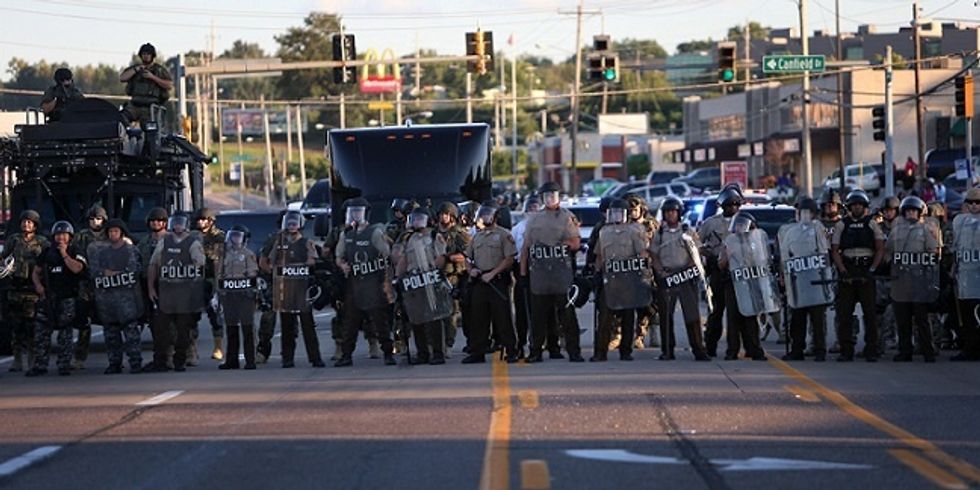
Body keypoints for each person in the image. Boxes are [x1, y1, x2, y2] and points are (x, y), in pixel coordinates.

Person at [521, 182, 584, 363]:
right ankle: (535, 351)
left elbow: (575, 243)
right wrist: (523, 274)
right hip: (539, 273)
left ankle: (574, 351)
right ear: (542, 198)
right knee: (538, 316)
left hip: (561, 272)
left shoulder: (566, 217)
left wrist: (563, 245)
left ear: (559, 197)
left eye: (553, 195)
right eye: (547, 196)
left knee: (567, 315)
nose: (550, 199)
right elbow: (526, 248)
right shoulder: (534, 219)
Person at [334, 198, 397, 367]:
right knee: (350, 321)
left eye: (358, 212)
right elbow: (338, 256)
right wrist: (342, 265)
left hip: (373, 283)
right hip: (354, 283)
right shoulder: (345, 235)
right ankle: (346, 355)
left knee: (379, 320)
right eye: (352, 212)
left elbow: (386, 254)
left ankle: (388, 352)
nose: (355, 215)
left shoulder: (374, 233)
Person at [263, 210, 325, 368]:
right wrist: (275, 272)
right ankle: (287, 358)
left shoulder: (306, 242)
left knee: (307, 325)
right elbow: (268, 262)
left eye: (294, 223)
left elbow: (312, 261)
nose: (291, 226)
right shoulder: (279, 242)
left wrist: (296, 266)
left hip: (302, 288)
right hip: (285, 289)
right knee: (287, 325)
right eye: (289, 223)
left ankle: (315, 358)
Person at [650, 196, 709, 361]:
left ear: (679, 213)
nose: (670, 215)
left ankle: (699, 349)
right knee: (666, 316)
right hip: (667, 277)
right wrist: (660, 270)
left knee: (692, 315)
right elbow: (653, 254)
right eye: (667, 212)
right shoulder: (659, 233)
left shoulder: (688, 231)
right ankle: (667, 351)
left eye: (673, 212)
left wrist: (688, 267)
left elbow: (696, 253)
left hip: (685, 277)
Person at [830, 189, 885, 362]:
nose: (857, 208)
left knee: (870, 314)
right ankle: (846, 350)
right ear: (849, 207)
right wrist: (842, 270)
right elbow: (835, 250)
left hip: (866, 269)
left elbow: (880, 249)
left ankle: (871, 349)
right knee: (845, 313)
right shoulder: (841, 225)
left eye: (860, 205)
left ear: (865, 207)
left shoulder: (872, 224)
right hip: (848, 269)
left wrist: (872, 270)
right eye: (854, 205)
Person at [593, 198, 651, 362]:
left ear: (627, 214)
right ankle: (600, 351)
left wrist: (642, 274)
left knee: (628, 315)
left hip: (629, 277)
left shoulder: (635, 230)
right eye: (614, 213)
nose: (617, 216)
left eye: (620, 212)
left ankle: (626, 350)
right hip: (609, 278)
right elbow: (599, 254)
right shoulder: (604, 231)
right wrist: (597, 272)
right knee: (604, 316)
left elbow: (642, 254)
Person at [147, 213, 206, 372]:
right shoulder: (164, 242)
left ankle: (180, 360)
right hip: (166, 291)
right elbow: (153, 265)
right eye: (175, 223)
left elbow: (200, 263)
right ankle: (160, 361)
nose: (177, 227)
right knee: (160, 329)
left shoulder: (193, 243)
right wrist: (151, 288)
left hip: (184, 292)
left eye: (181, 224)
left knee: (183, 329)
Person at [26, 221, 86, 376]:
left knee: (65, 333)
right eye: (58, 235)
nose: (61, 238)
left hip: (67, 297)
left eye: (64, 235)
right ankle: (40, 365)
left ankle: (64, 364)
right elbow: (36, 271)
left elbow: (78, 269)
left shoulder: (75, 250)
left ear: (70, 237)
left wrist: (64, 254)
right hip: (48, 298)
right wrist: (38, 286)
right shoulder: (46, 252)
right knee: (41, 333)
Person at [778, 198, 834, 362]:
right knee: (797, 318)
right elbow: (785, 256)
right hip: (798, 280)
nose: (804, 216)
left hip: (815, 278)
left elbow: (825, 253)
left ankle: (819, 350)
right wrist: (783, 275)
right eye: (801, 212)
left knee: (817, 319)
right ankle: (797, 350)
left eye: (807, 212)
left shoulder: (818, 229)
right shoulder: (790, 231)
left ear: (814, 214)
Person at [887, 196, 941, 363]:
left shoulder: (926, 230)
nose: (911, 213)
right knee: (902, 319)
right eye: (908, 211)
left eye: (914, 211)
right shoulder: (896, 231)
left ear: (919, 213)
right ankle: (905, 351)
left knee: (922, 318)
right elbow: (888, 251)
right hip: (901, 279)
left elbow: (933, 253)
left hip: (919, 279)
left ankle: (928, 351)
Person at [464, 202, 519, 363]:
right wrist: (471, 270)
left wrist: (493, 273)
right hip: (480, 281)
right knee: (478, 318)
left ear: (496, 217)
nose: (485, 217)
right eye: (483, 214)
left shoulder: (504, 235)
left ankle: (511, 350)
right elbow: (468, 258)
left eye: (488, 214)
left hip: (497, 281)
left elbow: (509, 259)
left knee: (503, 318)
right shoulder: (477, 236)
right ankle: (477, 351)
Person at [396, 208, 452, 364]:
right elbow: (403, 259)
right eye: (413, 219)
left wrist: (434, 270)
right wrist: (397, 278)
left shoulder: (435, 236)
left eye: (419, 218)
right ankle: (422, 353)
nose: (416, 222)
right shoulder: (409, 239)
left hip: (430, 279)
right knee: (416, 318)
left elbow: (441, 257)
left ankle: (438, 353)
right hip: (414, 282)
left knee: (435, 317)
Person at [88, 219, 144, 374]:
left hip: (127, 298)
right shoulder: (101, 252)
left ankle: (135, 362)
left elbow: (136, 269)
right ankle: (114, 363)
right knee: (111, 334)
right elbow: (94, 271)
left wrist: (116, 273)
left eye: (116, 231)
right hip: (107, 300)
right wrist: (104, 273)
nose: (113, 234)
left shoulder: (130, 250)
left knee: (131, 333)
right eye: (110, 231)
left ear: (122, 233)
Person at [718, 212, 773, 361]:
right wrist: (727, 256)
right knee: (733, 317)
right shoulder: (729, 241)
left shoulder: (756, 242)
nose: (740, 228)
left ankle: (754, 349)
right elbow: (721, 264)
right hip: (733, 283)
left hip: (751, 282)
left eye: (743, 225)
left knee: (750, 317)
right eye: (738, 225)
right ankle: (732, 350)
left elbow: (763, 261)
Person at [698, 185, 743, 357]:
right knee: (717, 310)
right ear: (723, 206)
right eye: (729, 205)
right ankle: (710, 345)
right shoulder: (711, 223)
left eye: (736, 205)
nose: (733, 208)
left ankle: (734, 348)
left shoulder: (744, 221)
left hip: (738, 270)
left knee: (736, 312)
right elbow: (697, 243)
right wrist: (708, 254)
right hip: (717, 270)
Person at [1, 210, 49, 372]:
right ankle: (17, 358)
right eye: (24, 221)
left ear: (35, 224)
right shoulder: (14, 240)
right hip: (15, 288)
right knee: (16, 326)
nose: (26, 224)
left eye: (29, 222)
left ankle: (32, 357)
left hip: (32, 289)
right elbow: (3, 257)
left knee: (31, 326)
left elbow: (47, 262)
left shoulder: (42, 242)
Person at [216, 225, 259, 370]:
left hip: (244, 295)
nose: (235, 239)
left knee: (247, 327)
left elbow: (252, 273)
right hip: (229, 295)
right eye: (233, 236)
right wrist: (218, 292)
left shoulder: (248, 254)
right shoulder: (224, 255)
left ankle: (250, 360)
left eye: (238, 236)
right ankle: (232, 360)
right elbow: (219, 275)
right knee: (231, 328)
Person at [70, 204, 108, 370]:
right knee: (83, 323)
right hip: (86, 284)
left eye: (98, 218)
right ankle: (79, 358)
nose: (95, 222)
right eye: (92, 219)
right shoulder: (82, 236)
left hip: (106, 284)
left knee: (110, 321)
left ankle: (115, 358)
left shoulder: (110, 234)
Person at [138, 207, 173, 372]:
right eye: (153, 221)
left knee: (169, 324)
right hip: (148, 284)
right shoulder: (144, 242)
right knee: (154, 323)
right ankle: (159, 357)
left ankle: (169, 357)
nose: (156, 223)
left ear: (165, 223)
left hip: (168, 284)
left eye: (159, 220)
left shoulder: (172, 240)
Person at [436, 201, 471, 355]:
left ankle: (448, 344)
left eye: (447, 214)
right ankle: (436, 344)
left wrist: (447, 257)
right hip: (435, 276)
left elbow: (467, 255)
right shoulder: (433, 233)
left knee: (451, 314)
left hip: (453, 278)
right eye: (442, 214)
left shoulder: (460, 234)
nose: (443, 217)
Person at [951, 187, 980, 361]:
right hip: (965, 275)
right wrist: (954, 267)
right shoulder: (960, 221)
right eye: (971, 202)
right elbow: (957, 247)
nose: (975, 205)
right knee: (966, 315)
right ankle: (969, 348)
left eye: (978, 202)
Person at [195, 207, 227, 362]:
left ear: (210, 221)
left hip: (212, 278)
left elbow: (219, 258)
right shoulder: (192, 237)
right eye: (199, 219)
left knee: (215, 314)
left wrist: (218, 283)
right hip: (195, 279)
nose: (201, 222)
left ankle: (218, 347)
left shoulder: (219, 237)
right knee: (191, 314)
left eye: (204, 219)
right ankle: (191, 350)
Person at [512, 196, 541, 359]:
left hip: (541, 270)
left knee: (540, 311)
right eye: (530, 208)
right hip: (522, 271)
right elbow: (514, 252)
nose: (533, 211)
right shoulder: (518, 229)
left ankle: (541, 343)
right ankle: (521, 343)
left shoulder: (545, 227)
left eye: (536, 208)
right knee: (522, 312)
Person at [119, 43, 173, 125]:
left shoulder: (159, 70)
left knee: (149, 128)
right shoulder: (136, 69)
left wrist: (153, 77)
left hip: (151, 108)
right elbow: (122, 78)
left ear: (152, 56)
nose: (146, 56)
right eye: (144, 54)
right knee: (121, 119)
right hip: (135, 105)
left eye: (148, 54)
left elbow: (169, 85)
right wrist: (136, 69)